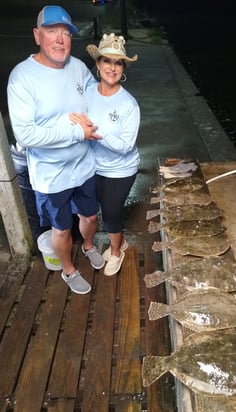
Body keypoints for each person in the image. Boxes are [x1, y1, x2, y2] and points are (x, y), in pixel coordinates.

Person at [7, 5, 105, 295]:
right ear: (38, 36)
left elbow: (93, 98)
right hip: (51, 175)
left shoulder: (76, 66)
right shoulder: (22, 77)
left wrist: (97, 111)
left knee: (89, 217)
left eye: (66, 33)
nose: (61, 39)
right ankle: (69, 271)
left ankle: (88, 246)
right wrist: (76, 130)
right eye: (52, 32)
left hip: (84, 164)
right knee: (60, 230)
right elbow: (26, 134)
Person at [70, 33, 140, 276]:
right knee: (96, 208)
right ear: (98, 64)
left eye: (118, 62)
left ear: (123, 68)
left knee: (111, 211)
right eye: (107, 61)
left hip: (121, 169)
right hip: (93, 165)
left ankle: (117, 252)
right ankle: (118, 238)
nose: (112, 67)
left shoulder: (128, 104)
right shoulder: (87, 93)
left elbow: (126, 145)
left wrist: (95, 134)